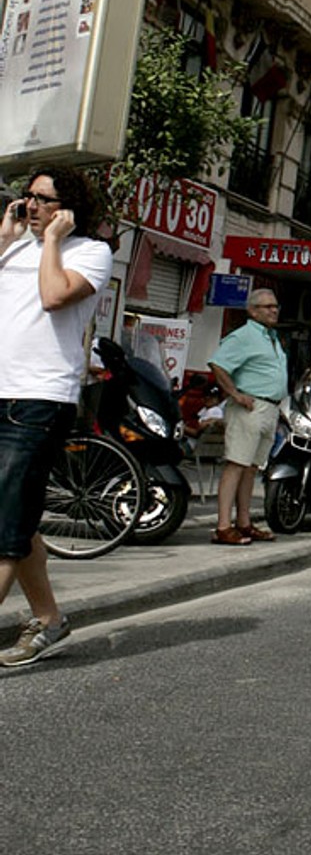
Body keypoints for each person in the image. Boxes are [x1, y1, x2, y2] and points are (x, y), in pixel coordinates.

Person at [0, 169, 113, 668]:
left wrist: (51, 240)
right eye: (27, 197)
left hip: (39, 399)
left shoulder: (90, 251)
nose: (31, 206)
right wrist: (5, 242)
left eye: (42, 200)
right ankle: (48, 620)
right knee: (18, 521)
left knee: (5, 524)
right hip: (1, 391)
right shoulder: (16, 249)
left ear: (68, 208)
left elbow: (52, 297)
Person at [208, 288, 288, 545]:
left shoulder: (271, 337)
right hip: (250, 406)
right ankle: (223, 525)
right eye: (267, 306)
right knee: (236, 464)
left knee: (252, 467)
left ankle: (244, 522)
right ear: (253, 311)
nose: (273, 310)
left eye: (275, 306)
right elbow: (218, 363)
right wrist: (235, 394)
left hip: (270, 408)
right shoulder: (243, 336)